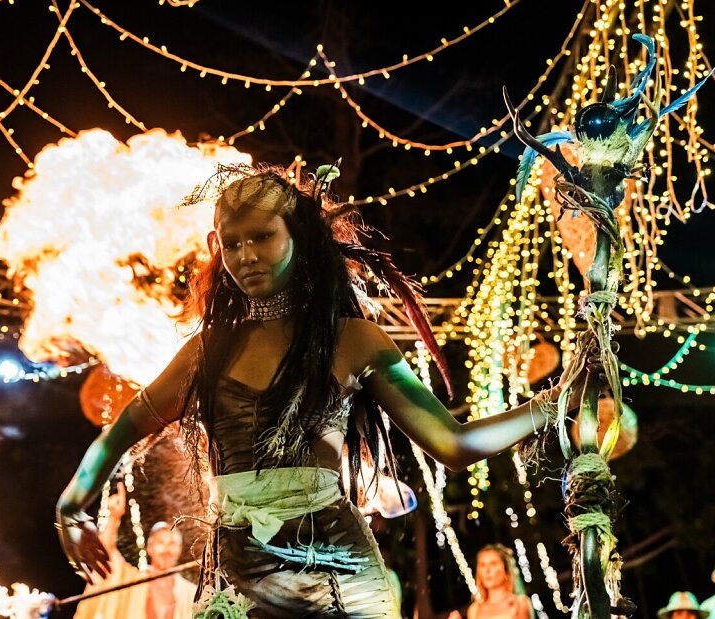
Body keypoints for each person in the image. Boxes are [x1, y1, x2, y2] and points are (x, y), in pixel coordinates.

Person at [55, 166, 576, 618]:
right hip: (239, 574)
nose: (246, 256)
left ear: (299, 237)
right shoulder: (203, 353)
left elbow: (454, 444)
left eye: (262, 237)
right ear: (216, 246)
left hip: (339, 574)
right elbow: (119, 433)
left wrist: (556, 402)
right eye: (232, 243)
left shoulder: (353, 341)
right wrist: (71, 507)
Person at [74, 483, 197, 619]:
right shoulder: (132, 581)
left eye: (172, 543)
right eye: (161, 542)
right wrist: (113, 517)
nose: (166, 549)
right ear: (150, 548)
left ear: (179, 549)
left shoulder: (191, 594)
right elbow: (107, 557)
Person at [449, 545, 532, 619]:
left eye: (493, 564)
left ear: (505, 569)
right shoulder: (474, 609)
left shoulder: (519, 603)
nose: (487, 570)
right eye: (482, 565)